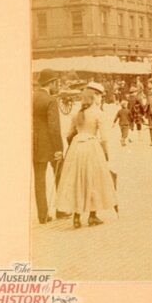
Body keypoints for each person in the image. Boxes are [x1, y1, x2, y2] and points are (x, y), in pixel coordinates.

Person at [55, 83, 118, 229]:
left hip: (76, 147)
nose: (100, 99)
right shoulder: (98, 113)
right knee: (93, 179)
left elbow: (69, 134)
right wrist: (106, 153)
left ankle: (76, 218)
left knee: (77, 179)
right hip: (92, 146)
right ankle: (92, 216)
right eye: (100, 96)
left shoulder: (76, 114)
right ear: (95, 97)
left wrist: (76, 143)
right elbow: (104, 137)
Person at [33, 69, 65, 224]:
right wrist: (59, 149)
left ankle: (43, 215)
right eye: (55, 83)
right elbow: (54, 127)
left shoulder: (31, 97)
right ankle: (62, 209)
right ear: (51, 83)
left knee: (39, 180)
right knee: (60, 174)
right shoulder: (51, 100)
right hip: (51, 146)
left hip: (35, 145)